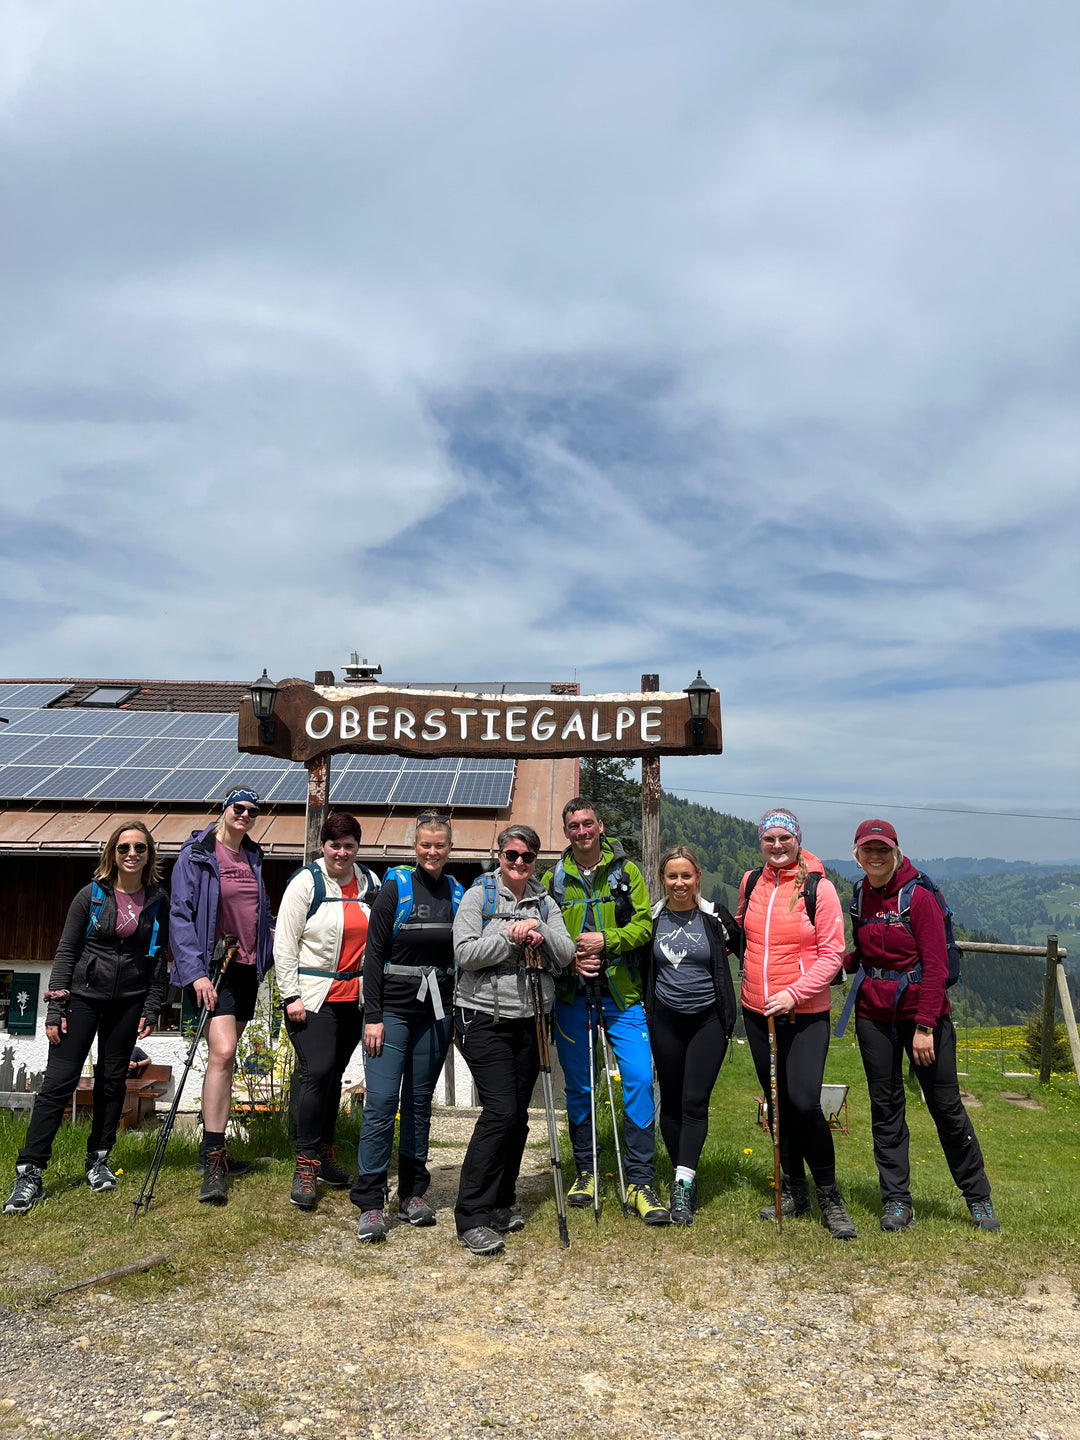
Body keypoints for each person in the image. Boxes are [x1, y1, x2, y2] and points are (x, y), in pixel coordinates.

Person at [3, 821, 168, 1214]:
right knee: (58, 1084)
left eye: (140, 849)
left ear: (149, 856)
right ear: (112, 853)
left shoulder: (158, 899)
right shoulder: (90, 896)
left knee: (113, 1082)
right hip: (81, 1000)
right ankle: (29, 1172)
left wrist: (152, 1006)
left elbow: (160, 958)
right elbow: (65, 952)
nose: (132, 854)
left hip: (128, 1003)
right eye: (124, 847)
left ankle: (98, 1160)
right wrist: (55, 1008)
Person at [846, 818, 999, 1233]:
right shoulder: (861, 894)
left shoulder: (919, 896)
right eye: (867, 850)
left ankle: (978, 1198)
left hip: (923, 1018)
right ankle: (897, 1201)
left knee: (946, 1108)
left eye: (882, 850)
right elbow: (861, 954)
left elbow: (934, 967)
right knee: (886, 1108)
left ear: (895, 852)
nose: (874, 857)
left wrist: (926, 1026)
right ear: (857, 854)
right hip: (873, 1018)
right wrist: (826, 966)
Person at [453, 823, 574, 1256]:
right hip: (482, 1018)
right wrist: (508, 936)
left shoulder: (545, 901)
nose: (519, 863)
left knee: (518, 1116)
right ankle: (472, 1215)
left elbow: (567, 953)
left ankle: (502, 1200)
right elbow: (464, 953)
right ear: (499, 855)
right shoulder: (478, 896)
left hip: (532, 1020)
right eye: (512, 855)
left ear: (536, 860)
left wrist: (540, 931)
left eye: (527, 857)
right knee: (501, 1112)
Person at [544, 799, 667, 1224]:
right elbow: (547, 933)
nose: (582, 831)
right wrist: (570, 957)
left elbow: (644, 927)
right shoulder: (553, 880)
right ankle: (587, 1173)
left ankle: (640, 1182)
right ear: (566, 832)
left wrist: (604, 942)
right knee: (580, 1087)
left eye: (587, 824)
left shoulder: (626, 871)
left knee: (636, 1078)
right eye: (573, 826)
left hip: (622, 993)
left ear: (600, 825)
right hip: (572, 994)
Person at [738, 809, 857, 1240]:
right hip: (756, 1011)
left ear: (797, 839)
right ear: (761, 842)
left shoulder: (818, 888)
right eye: (768, 838)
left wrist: (793, 992)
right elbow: (745, 936)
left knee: (805, 1104)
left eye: (783, 838)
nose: (775, 845)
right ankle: (794, 1191)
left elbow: (832, 954)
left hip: (804, 1014)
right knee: (778, 1108)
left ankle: (830, 1196)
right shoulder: (751, 882)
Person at [352, 813, 462, 1243]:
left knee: (418, 1104)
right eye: (425, 845)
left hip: (434, 1014)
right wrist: (374, 1016)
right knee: (380, 1103)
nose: (432, 852)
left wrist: (451, 1015)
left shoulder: (456, 892)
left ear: (449, 848)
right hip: (390, 1014)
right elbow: (373, 956)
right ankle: (370, 1199)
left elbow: (457, 962)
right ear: (414, 846)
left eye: (439, 846)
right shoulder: (395, 889)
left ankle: (413, 1193)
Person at [170, 786, 274, 1204]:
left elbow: (257, 912)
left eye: (253, 810)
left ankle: (213, 1149)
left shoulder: (253, 856)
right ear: (224, 808)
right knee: (224, 1052)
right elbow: (180, 915)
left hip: (246, 967)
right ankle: (213, 1160)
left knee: (226, 1060)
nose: (245, 815)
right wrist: (195, 974)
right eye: (239, 807)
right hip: (213, 969)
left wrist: (265, 958)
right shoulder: (196, 854)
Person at [274, 812, 379, 1210]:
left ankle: (325, 1153)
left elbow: (378, 936)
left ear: (357, 847)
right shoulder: (306, 883)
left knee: (333, 1076)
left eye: (349, 845)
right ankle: (305, 1162)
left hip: (354, 998)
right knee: (316, 1072)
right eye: (335, 844)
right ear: (324, 846)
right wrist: (290, 996)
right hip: (312, 997)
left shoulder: (370, 881)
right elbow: (284, 943)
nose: (342, 852)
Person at [642, 845, 739, 1226]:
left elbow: (749, 947)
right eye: (672, 876)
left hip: (708, 1021)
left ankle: (682, 1183)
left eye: (686, 875)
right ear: (662, 879)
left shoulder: (715, 917)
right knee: (671, 1102)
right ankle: (684, 1167)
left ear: (698, 876)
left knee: (695, 1101)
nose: (679, 883)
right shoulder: (651, 918)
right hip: (665, 1019)